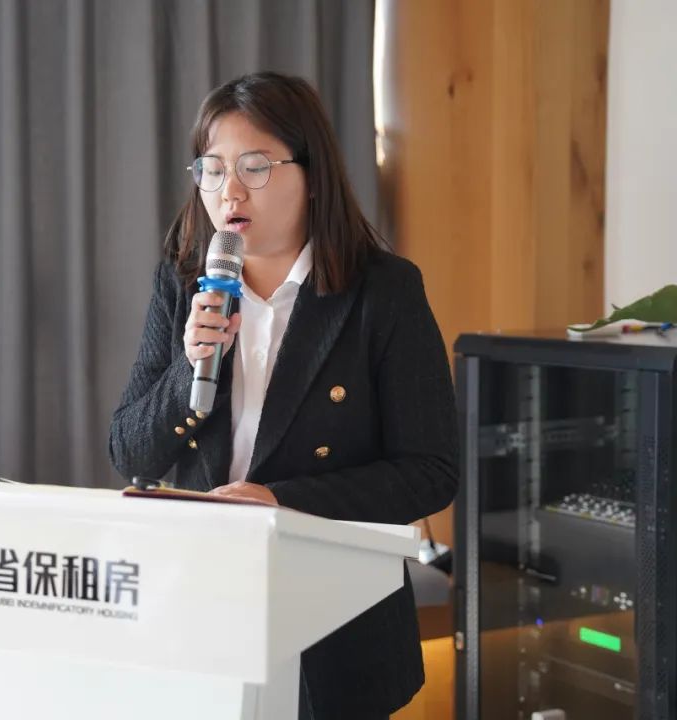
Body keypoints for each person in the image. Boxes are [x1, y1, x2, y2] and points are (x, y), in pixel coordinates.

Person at [109, 71, 458, 720]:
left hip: (335, 618)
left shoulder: (383, 292)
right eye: (212, 170)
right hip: (206, 608)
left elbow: (431, 471)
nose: (230, 191)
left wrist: (280, 503)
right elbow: (129, 452)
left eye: (255, 167)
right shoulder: (184, 281)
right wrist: (189, 369)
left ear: (313, 174)